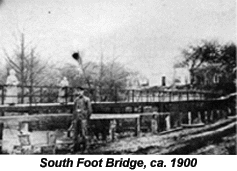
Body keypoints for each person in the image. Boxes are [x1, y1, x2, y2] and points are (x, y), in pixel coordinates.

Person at [72, 86, 92, 153]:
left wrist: (86, 117)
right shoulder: (76, 100)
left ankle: (86, 147)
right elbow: (74, 110)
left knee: (84, 133)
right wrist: (74, 119)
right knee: (75, 133)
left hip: (83, 119)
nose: (79, 92)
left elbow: (90, 110)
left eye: (80, 91)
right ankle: (76, 147)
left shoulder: (86, 99)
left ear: (83, 91)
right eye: (78, 91)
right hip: (77, 118)